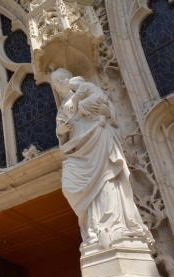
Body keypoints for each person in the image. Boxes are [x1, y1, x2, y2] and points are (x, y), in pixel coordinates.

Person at [51, 68, 150, 248]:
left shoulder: (87, 90)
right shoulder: (62, 108)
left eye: (62, 78)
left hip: (98, 136)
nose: (60, 83)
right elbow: (60, 130)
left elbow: (108, 109)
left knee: (107, 179)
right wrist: (62, 131)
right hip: (78, 148)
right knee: (70, 186)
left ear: (69, 78)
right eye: (56, 81)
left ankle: (113, 226)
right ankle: (93, 229)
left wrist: (106, 111)